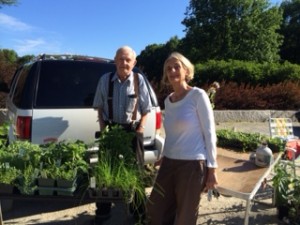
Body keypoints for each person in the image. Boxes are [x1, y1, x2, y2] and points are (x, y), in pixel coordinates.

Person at [146, 52, 218, 225]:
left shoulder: (198, 95)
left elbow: (209, 132)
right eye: (168, 69)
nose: (172, 71)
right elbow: (171, 134)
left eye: (176, 67)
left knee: (185, 216)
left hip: (192, 164)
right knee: (156, 210)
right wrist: (164, 155)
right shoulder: (168, 101)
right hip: (169, 162)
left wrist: (212, 170)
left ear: (186, 70)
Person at [93, 46, 151, 223]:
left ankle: (139, 213)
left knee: (137, 173)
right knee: (105, 173)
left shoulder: (138, 80)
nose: (124, 63)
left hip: (133, 131)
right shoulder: (105, 80)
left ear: (134, 63)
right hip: (111, 131)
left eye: (128, 60)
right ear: (115, 60)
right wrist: (104, 130)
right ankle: (102, 213)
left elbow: (146, 109)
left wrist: (140, 128)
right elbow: (100, 107)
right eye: (120, 59)